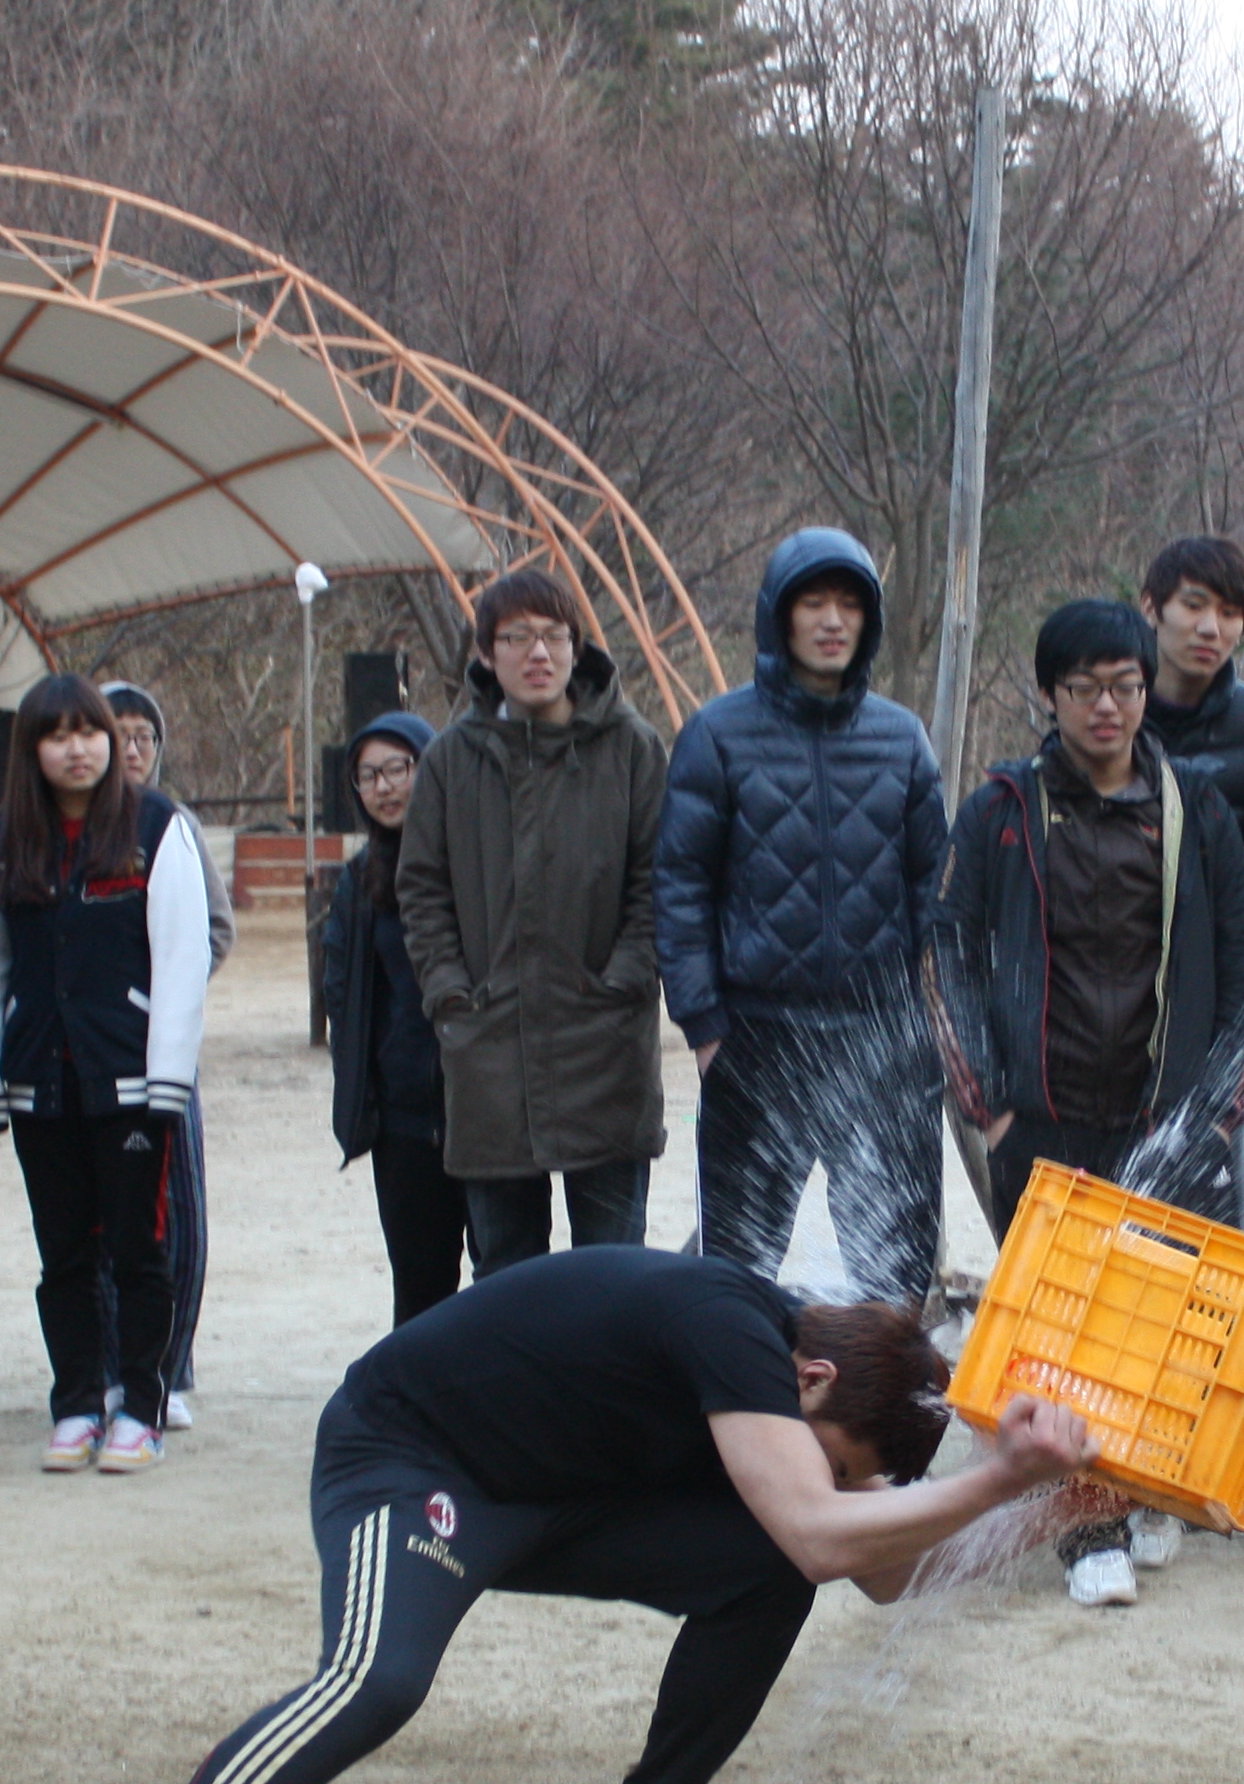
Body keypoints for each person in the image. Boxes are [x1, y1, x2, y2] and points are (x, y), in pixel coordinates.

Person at [20, 1246, 1100, 1784]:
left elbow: (882, 1571)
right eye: (838, 1462)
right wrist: (998, 1475)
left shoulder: (798, 1385)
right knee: (372, 1682)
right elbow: (826, 1533)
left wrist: (1053, 1506)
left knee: (771, 1561)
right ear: (811, 1381)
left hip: (556, 1495)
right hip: (411, 1462)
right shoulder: (733, 1328)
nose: (833, 1480)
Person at [933, 597, 1244, 1603]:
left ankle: (1141, 1487)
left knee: (1157, 1321)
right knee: (1063, 1332)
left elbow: (1241, 963)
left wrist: (1218, 1108)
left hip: (1163, 1115)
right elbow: (947, 949)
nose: (1107, 706)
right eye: (1085, 688)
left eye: (1125, 685)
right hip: (1045, 1111)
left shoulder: (1196, 809)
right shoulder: (1003, 810)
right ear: (1052, 694)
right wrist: (989, 1105)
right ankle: (1089, 1532)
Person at [658, 529, 950, 1304]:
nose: (831, 620)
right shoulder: (717, 735)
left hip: (878, 1042)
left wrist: (928, 1027)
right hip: (756, 1035)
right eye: (813, 602)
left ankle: (879, 1392)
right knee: (737, 1272)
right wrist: (705, 1027)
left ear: (869, 621)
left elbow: (935, 893)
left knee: (894, 1278)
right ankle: (741, 1388)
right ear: (779, 616)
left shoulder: (902, 738)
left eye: (849, 604)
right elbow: (681, 888)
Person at [0, 673, 208, 1473]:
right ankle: (76, 1402)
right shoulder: (5, 840)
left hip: (130, 1083)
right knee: (63, 1254)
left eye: (91, 732)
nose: (79, 749)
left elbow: (183, 958)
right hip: (41, 1081)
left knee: (138, 1250)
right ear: (31, 748)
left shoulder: (156, 827)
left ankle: (141, 1406)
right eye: (58, 734)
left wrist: (168, 1079)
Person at [401, 569, 672, 1275]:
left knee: (613, 1271)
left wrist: (628, 975)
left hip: (605, 1045)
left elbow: (660, 879)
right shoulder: (450, 760)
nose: (538, 653)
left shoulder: (631, 747)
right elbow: (422, 889)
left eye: (554, 636)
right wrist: (449, 992)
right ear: (486, 655)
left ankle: (608, 1361)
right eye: (517, 637)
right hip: (490, 1045)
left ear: (577, 647)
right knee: (505, 1273)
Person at [1135, 531, 1244, 1204]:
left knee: (1206, 1223)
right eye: (1195, 605)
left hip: (1215, 1016)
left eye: (1231, 613)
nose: (1212, 628)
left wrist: (1243, 1023)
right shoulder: (1105, 712)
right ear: (1152, 607)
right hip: (1108, 1010)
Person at [104, 680, 232, 1423]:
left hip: (161, 1050)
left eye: (144, 736)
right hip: (83, 1057)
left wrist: (160, 994)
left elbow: (216, 929)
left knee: (178, 1214)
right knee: (96, 1221)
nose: (132, 748)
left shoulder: (173, 825)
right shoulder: (49, 826)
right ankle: (106, 1366)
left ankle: (168, 1367)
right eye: (117, 732)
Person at [323, 710, 465, 1322]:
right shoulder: (358, 881)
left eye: (397, 769)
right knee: (419, 1293)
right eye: (367, 776)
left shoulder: (476, 861)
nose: (383, 787)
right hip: (405, 1122)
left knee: (505, 1281)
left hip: (484, 1110)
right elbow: (343, 994)